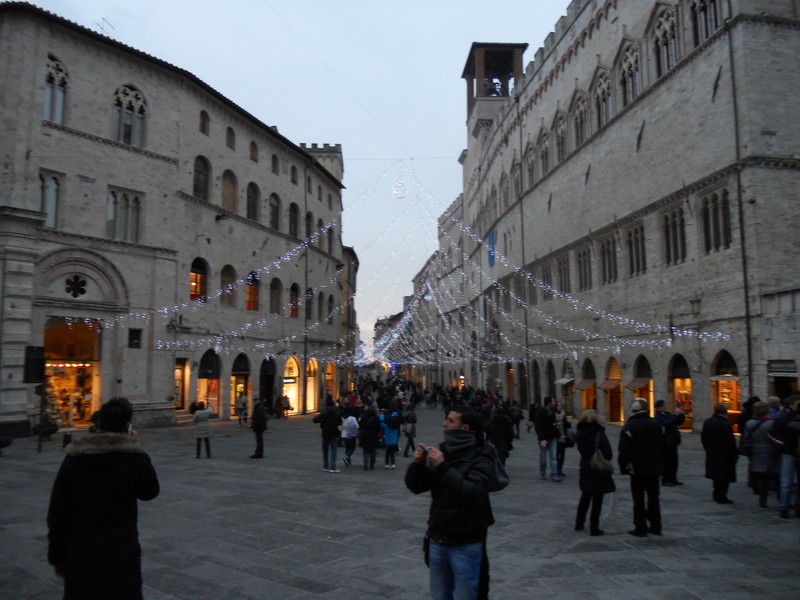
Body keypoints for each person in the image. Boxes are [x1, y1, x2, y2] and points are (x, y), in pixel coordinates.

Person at [47, 397, 160, 599]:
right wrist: (137, 445)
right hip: (121, 553)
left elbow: (57, 512)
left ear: (98, 424)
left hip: (80, 552)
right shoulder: (134, 458)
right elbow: (149, 491)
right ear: (127, 425)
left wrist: (57, 557)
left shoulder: (75, 458)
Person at [405, 406, 495, 600]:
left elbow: (472, 493)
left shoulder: (482, 456)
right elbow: (416, 487)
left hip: (466, 541)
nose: (444, 424)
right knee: (439, 596)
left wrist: (443, 467)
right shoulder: (444, 450)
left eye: (451, 421)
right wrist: (418, 466)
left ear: (465, 427)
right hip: (438, 537)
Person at [618, 398, 665, 537]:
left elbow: (624, 450)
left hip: (637, 468)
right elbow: (664, 445)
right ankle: (656, 526)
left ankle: (641, 527)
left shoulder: (629, 426)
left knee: (638, 499)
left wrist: (623, 466)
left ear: (632, 410)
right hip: (654, 468)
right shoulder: (656, 424)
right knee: (654, 497)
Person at [574, 409, 615, 536]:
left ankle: (579, 523)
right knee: (597, 499)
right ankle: (594, 527)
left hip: (585, 466)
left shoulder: (580, 433)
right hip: (597, 468)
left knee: (585, 496)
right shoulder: (599, 434)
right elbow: (608, 453)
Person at [742, 401, 779, 508]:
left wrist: (749, 449)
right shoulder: (771, 423)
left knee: (762, 477)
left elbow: (746, 440)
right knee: (776, 474)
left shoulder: (749, 423)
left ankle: (762, 500)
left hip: (756, 451)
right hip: (771, 450)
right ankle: (781, 499)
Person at [701, 403, 738, 504]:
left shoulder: (708, 422)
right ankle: (721, 496)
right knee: (723, 476)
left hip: (712, 452)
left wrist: (708, 448)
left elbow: (703, 438)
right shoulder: (725, 424)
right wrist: (734, 454)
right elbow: (730, 441)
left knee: (716, 476)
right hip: (724, 454)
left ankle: (716, 494)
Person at [770, 395, 800, 518]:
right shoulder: (783, 419)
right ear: (792, 405)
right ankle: (784, 506)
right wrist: (784, 444)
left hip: (795, 452)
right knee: (786, 482)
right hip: (788, 453)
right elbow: (773, 434)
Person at [654, 399, 685, 486]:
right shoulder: (658, 417)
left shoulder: (668, 414)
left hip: (673, 441)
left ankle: (673, 479)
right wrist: (677, 417)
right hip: (666, 442)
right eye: (663, 406)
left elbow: (677, 421)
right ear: (659, 408)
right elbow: (668, 424)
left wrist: (681, 415)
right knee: (667, 462)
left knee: (674, 462)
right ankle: (666, 480)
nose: (665, 407)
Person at [535, 396, 561, 482]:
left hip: (552, 437)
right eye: (553, 401)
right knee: (543, 457)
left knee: (553, 457)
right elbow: (538, 426)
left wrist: (559, 435)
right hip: (543, 439)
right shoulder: (541, 412)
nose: (555, 403)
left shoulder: (553, 412)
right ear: (549, 403)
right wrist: (542, 439)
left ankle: (554, 475)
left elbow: (554, 425)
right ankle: (542, 472)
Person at [313, 400, 342, 473]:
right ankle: (333, 467)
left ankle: (325, 466)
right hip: (334, 433)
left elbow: (315, 420)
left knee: (325, 450)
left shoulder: (324, 413)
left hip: (325, 433)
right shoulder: (337, 413)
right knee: (334, 450)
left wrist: (322, 421)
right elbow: (340, 422)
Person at [358, 404, 382, 470]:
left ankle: (366, 464)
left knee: (365, 451)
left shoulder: (364, 416)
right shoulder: (376, 418)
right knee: (372, 450)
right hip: (373, 436)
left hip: (365, 435)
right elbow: (378, 427)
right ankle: (372, 463)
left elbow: (360, 426)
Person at [382, 402, 402, 469]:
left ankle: (387, 463)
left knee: (387, 450)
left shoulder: (387, 413)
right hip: (395, 432)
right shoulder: (398, 413)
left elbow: (383, 423)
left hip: (388, 433)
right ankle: (393, 463)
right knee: (393, 450)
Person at [554, 401, 571, 478]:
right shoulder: (553, 414)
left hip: (564, 436)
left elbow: (567, 425)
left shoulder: (564, 414)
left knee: (562, 454)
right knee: (557, 454)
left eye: (560, 405)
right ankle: (556, 469)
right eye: (558, 405)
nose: (559, 406)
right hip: (556, 436)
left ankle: (560, 469)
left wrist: (568, 423)